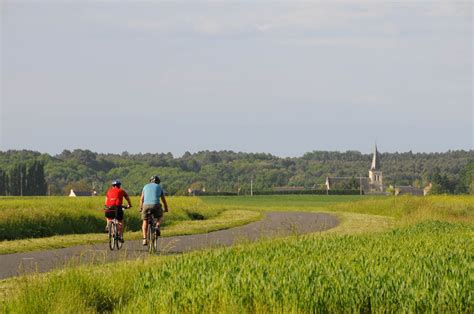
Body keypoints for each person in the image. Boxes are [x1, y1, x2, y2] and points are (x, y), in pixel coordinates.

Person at [140, 175, 168, 245]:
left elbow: (142, 199)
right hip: (156, 205)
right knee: (160, 216)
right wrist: (166, 209)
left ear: (150, 181)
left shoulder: (145, 186)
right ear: (158, 182)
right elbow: (163, 200)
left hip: (145, 206)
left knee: (145, 221)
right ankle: (157, 225)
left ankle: (144, 239)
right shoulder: (159, 187)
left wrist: (141, 207)